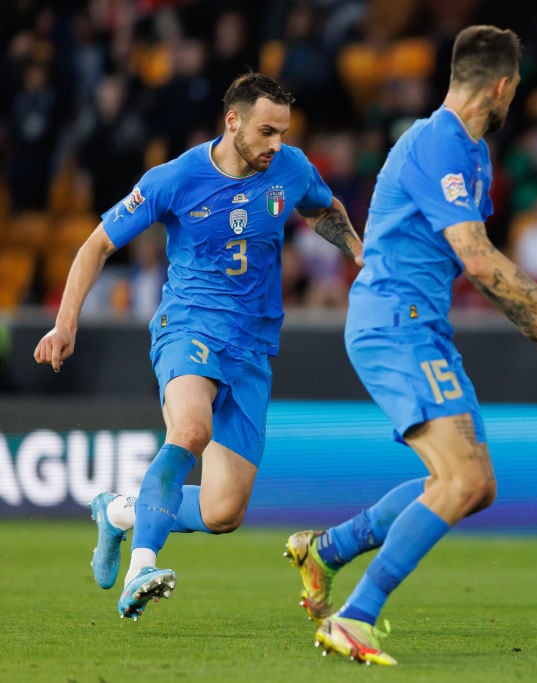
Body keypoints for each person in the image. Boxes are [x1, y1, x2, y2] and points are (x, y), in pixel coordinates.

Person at [282, 25, 537, 666]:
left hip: (420, 325)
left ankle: (329, 549)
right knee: (460, 480)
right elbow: (480, 259)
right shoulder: (439, 143)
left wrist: (536, 327)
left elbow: (470, 264)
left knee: (475, 484)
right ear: (504, 85)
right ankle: (355, 617)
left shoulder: (472, 153)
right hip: (394, 324)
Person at [33, 72, 364, 620]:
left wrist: (358, 250)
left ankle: (118, 512)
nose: (276, 144)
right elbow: (95, 246)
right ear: (233, 121)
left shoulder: (291, 167)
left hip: (253, 347)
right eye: (266, 131)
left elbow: (321, 208)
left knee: (221, 512)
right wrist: (65, 324)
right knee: (189, 429)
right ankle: (142, 566)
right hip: (189, 326)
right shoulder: (175, 178)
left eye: (282, 132)